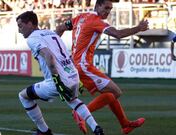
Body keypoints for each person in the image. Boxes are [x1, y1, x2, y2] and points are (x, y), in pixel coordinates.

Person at [55, 0, 149, 134]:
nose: (108, 11)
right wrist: (138, 28)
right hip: (83, 66)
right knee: (116, 92)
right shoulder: (96, 21)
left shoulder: (80, 18)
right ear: (97, 5)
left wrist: (55, 49)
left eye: (110, 9)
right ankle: (81, 113)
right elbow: (118, 34)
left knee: (110, 94)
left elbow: (59, 29)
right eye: (106, 7)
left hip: (76, 65)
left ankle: (125, 125)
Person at [16, 11, 104, 135]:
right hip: (73, 76)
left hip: (57, 81)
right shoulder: (51, 34)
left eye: (21, 26)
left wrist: (58, 82)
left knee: (23, 96)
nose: (19, 30)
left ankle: (44, 131)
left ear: (30, 24)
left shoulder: (32, 39)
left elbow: (49, 56)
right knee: (73, 101)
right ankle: (96, 128)